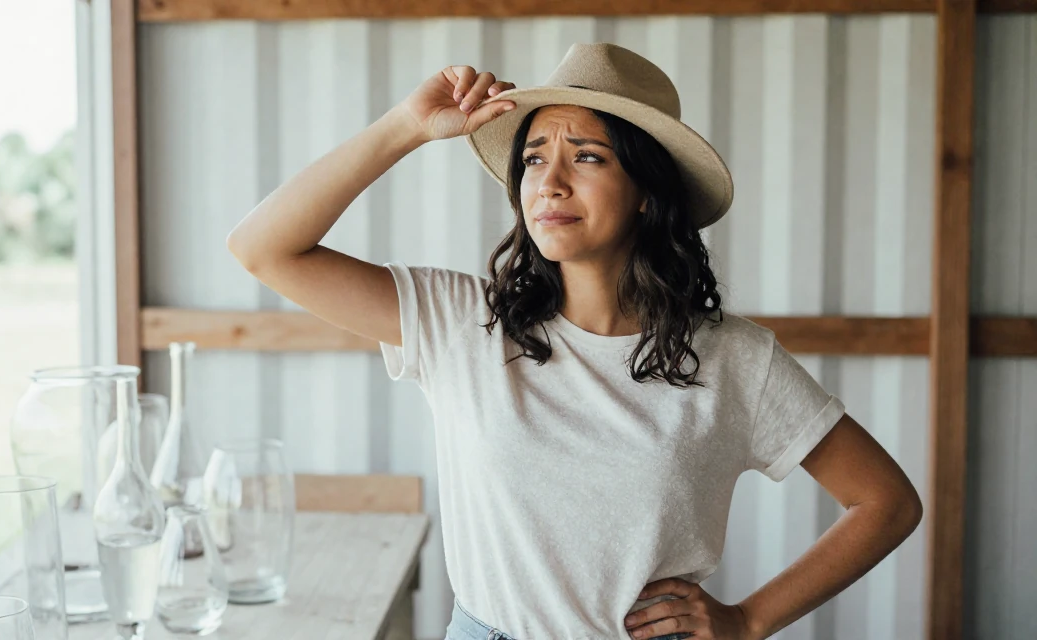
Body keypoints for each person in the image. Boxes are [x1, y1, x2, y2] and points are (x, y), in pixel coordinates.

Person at [227, 42, 922, 640]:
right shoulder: (462, 322)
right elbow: (263, 249)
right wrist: (405, 127)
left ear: (648, 190)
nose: (549, 182)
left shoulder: (735, 359)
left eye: (586, 156)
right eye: (533, 158)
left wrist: (747, 621)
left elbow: (887, 502)